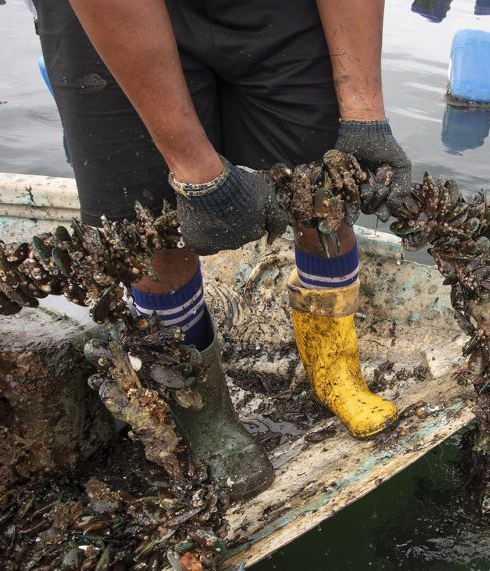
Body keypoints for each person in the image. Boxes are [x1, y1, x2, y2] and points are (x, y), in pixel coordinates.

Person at [34, 0, 411, 500]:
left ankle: (334, 369)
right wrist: (198, 173)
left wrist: (366, 117)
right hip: (109, 16)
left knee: (324, 193)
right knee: (153, 231)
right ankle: (203, 412)